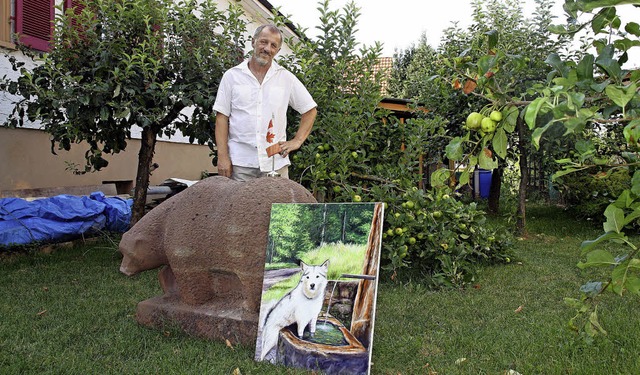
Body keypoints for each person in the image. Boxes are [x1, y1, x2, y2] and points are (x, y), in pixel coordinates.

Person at [213, 24, 318, 181]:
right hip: (240, 164)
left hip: (275, 164)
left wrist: (297, 141)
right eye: (263, 42)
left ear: (278, 50)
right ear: (253, 42)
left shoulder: (286, 78)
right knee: (239, 206)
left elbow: (310, 110)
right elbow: (222, 118)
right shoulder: (232, 76)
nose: (267, 48)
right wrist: (222, 156)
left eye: (273, 45)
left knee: (278, 206)